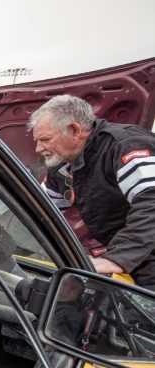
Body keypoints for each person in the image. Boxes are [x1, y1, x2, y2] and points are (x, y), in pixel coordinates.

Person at [29, 95, 155, 290]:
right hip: (131, 261)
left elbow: (151, 203)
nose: (38, 148)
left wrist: (117, 259)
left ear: (74, 130)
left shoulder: (125, 145)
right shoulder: (62, 164)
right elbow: (40, 212)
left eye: (45, 139)